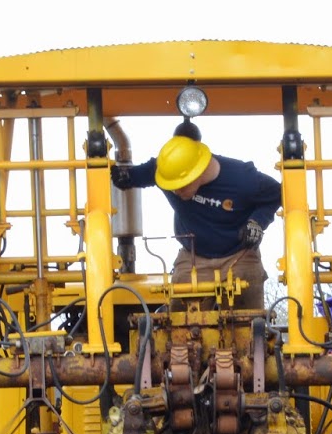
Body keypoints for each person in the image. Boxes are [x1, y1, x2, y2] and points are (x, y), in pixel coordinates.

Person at [113, 124, 281, 309]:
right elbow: (135, 175)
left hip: (238, 255)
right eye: (170, 185)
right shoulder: (167, 169)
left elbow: (277, 195)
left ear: (198, 171)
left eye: (181, 184)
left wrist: (257, 222)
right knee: (177, 321)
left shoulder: (244, 179)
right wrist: (122, 175)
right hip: (193, 257)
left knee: (246, 322)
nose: (175, 191)